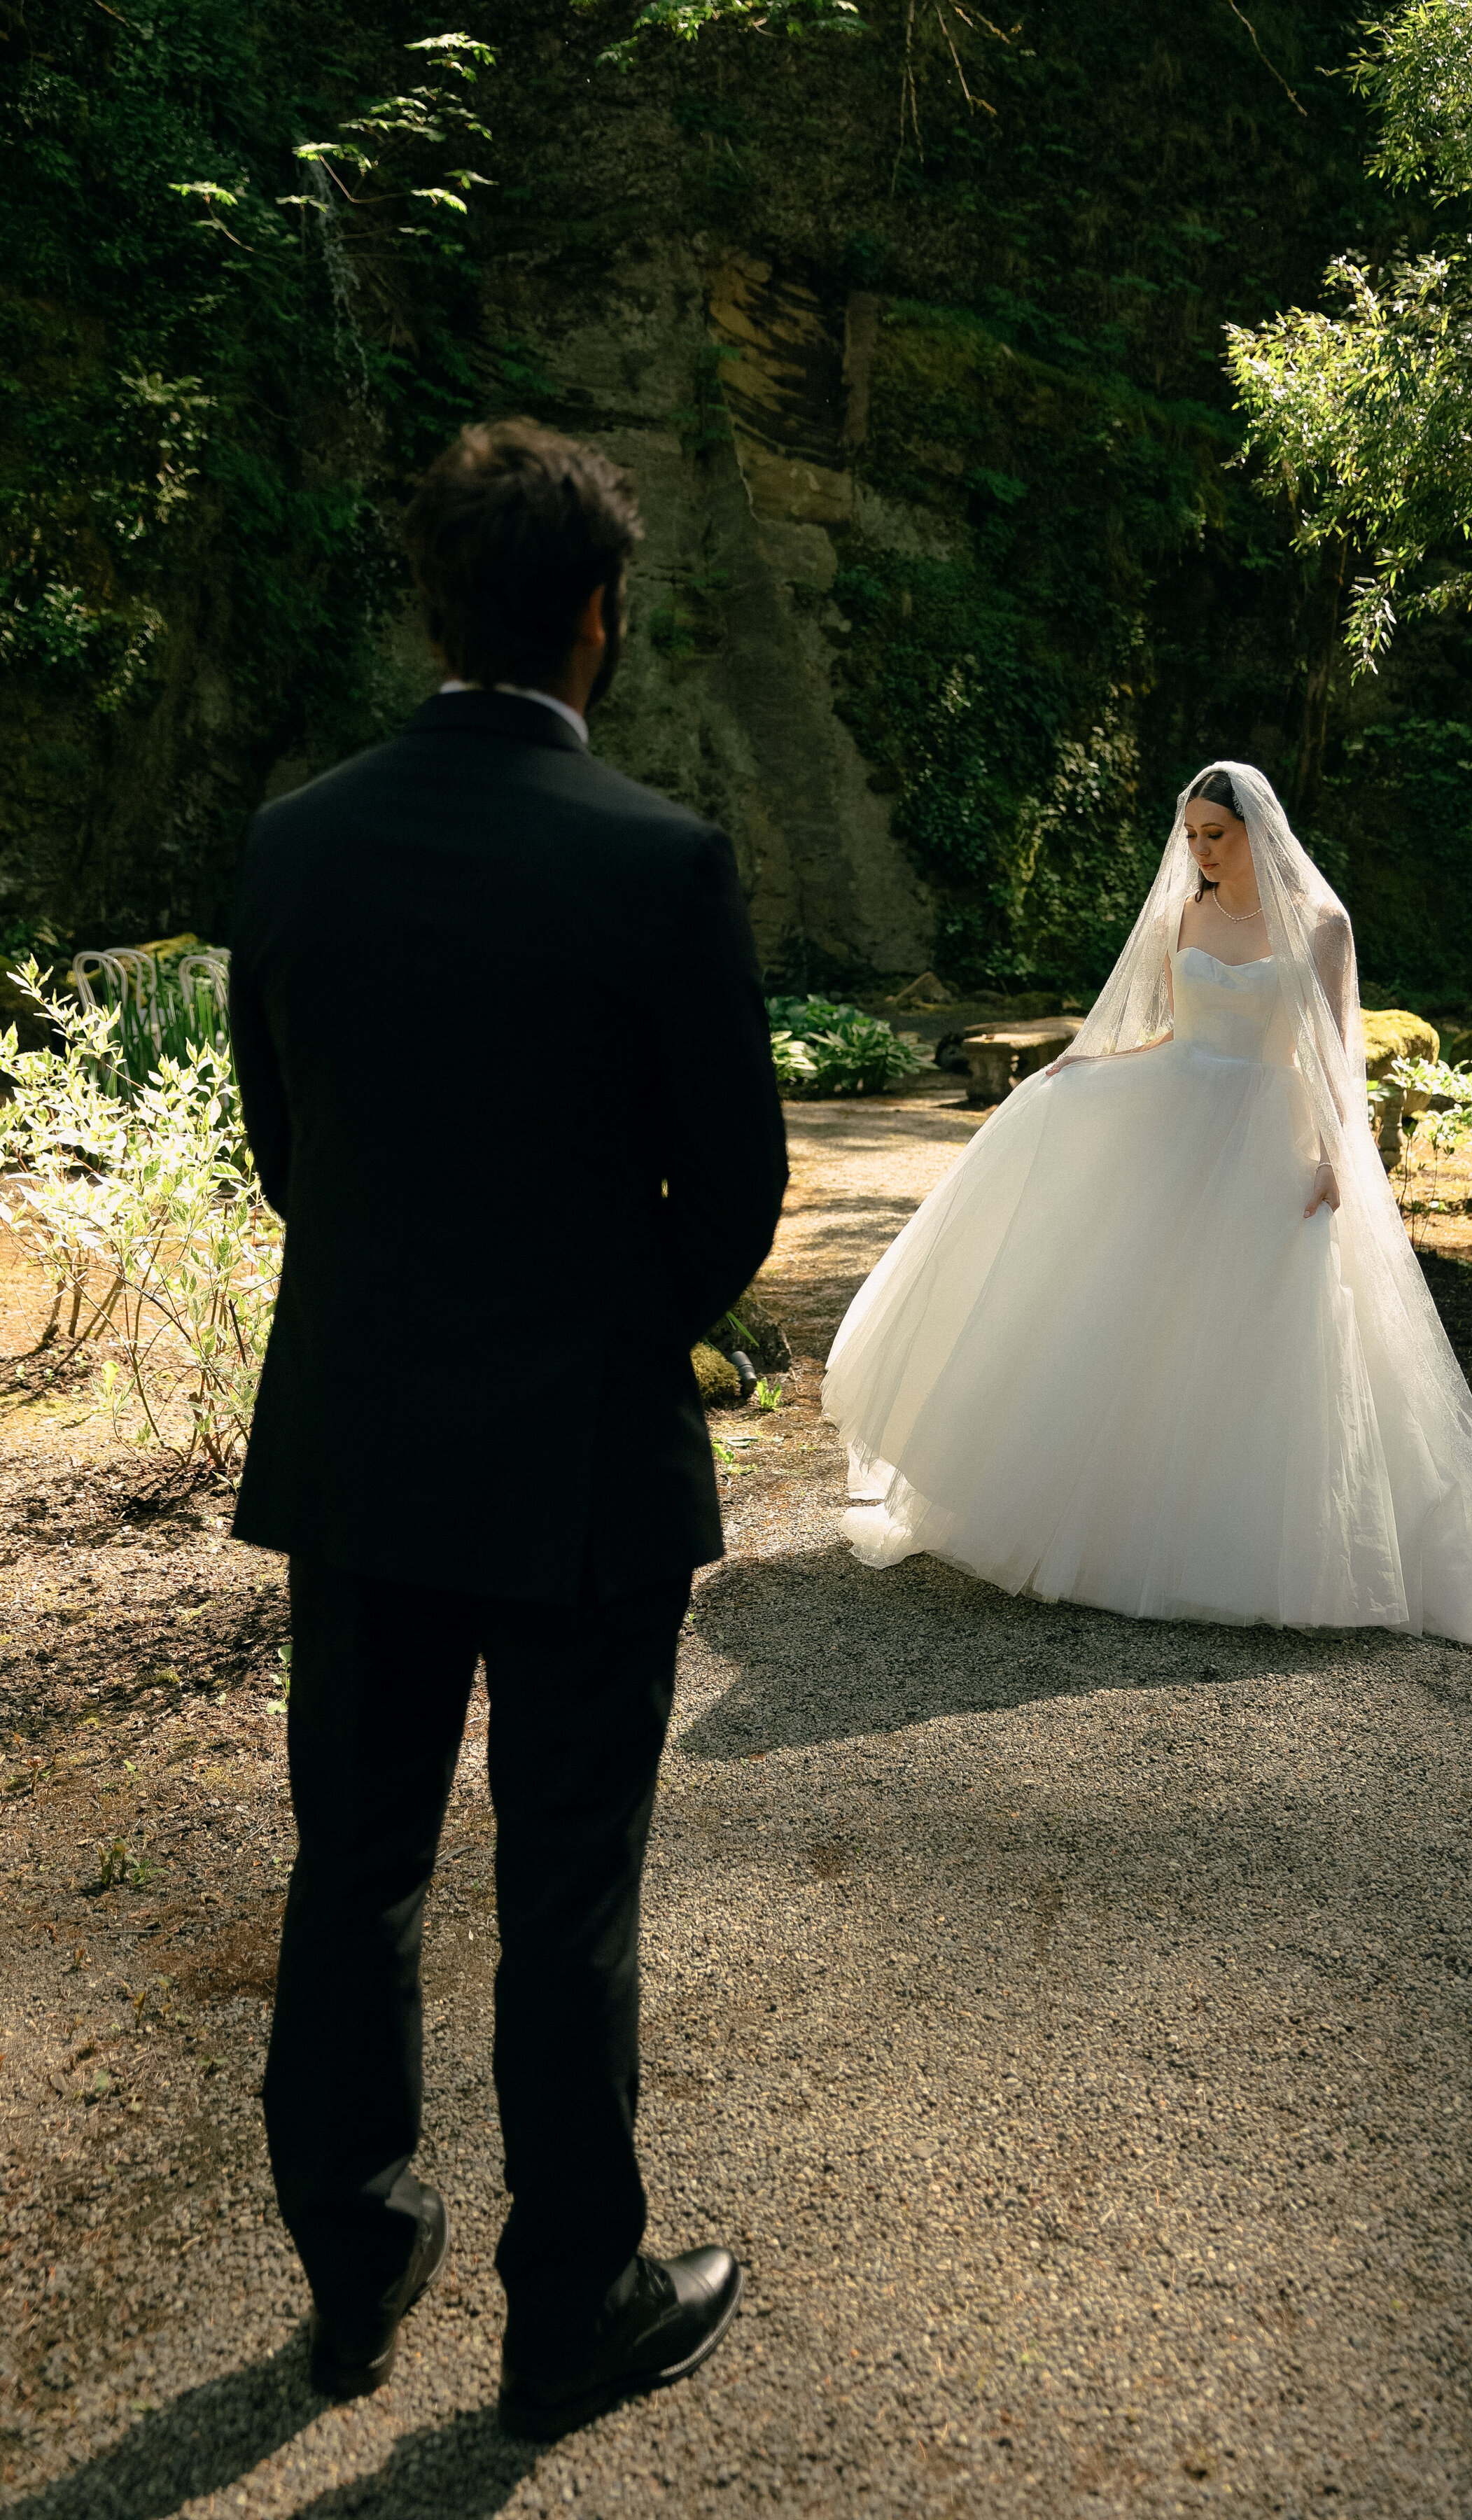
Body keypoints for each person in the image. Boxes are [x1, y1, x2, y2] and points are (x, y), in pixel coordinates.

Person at [229, 419, 787, 2438]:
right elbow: (734, 1193)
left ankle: (355, 2275)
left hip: (362, 1444)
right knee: (566, 1888)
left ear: (434, 610)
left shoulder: (295, 841)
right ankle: (571, 2316)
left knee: (352, 1866)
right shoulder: (658, 861)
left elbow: (292, 1153)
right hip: (581, 1465)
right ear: (597, 621)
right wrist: (601, 1330)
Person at [824, 762, 1472, 1651]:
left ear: (1257, 832)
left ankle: (1240, 1539)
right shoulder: (1187, 913)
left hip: (1266, 1137)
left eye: (1215, 835)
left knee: (1255, 1323)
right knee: (1131, 1308)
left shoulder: (1322, 925)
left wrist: (1330, 1155)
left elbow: (1331, 1051)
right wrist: (1094, 1068)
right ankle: (1101, 1511)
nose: (1198, 850)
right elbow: (1173, 1030)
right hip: (1173, 1122)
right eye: (1191, 835)